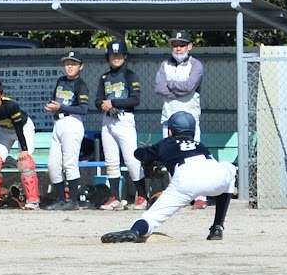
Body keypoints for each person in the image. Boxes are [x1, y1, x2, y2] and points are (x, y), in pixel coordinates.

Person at [101, 111, 236, 243]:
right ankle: (217, 226)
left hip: (186, 179)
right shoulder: (200, 145)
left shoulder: (165, 143)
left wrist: (148, 152)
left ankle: (136, 231)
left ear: (170, 131)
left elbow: (139, 154)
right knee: (229, 169)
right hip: (215, 174)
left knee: (151, 218)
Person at [94, 38, 149, 211]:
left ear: (125, 56)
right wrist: (103, 105)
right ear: (108, 57)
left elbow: (135, 99)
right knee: (111, 161)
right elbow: (97, 100)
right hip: (108, 120)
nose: (116, 57)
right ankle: (115, 198)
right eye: (112, 54)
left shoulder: (130, 75)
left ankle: (142, 196)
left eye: (119, 54)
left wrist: (113, 103)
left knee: (132, 159)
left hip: (125, 119)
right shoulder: (104, 77)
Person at [154, 30, 207, 210]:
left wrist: (171, 85)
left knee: (195, 157)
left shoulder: (196, 64)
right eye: (175, 45)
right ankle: (177, 198)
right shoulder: (164, 64)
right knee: (171, 158)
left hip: (190, 120)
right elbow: (158, 88)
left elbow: (190, 86)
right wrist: (178, 89)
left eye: (182, 45)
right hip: (169, 117)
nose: (178, 48)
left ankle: (200, 198)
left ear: (189, 46)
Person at [0, 79, 40, 211]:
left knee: (25, 162)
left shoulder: (11, 105)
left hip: (23, 128)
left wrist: (24, 149)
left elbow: (18, 127)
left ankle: (33, 200)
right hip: (5, 131)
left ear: (1, 94)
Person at [44, 51, 90, 211]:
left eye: (74, 63)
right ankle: (62, 199)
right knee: (53, 164)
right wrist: (51, 106)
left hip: (72, 122)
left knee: (69, 163)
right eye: (67, 63)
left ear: (81, 66)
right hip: (58, 123)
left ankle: (73, 201)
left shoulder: (80, 84)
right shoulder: (61, 80)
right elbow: (54, 99)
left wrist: (61, 107)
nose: (69, 66)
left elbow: (84, 108)